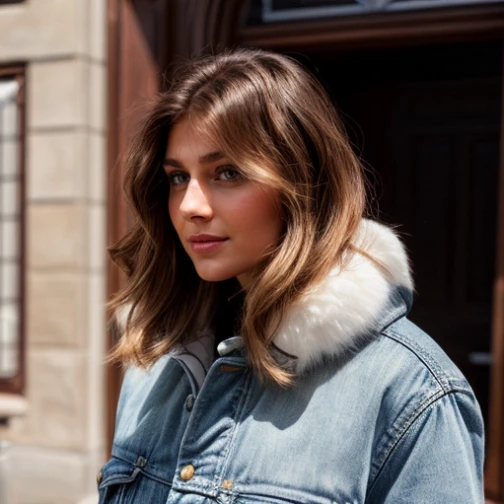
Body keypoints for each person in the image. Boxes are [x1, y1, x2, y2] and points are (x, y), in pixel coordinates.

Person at [99, 48, 484, 503]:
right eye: (178, 177)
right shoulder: (156, 358)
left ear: (305, 183)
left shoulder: (409, 391)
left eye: (227, 173)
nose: (190, 207)